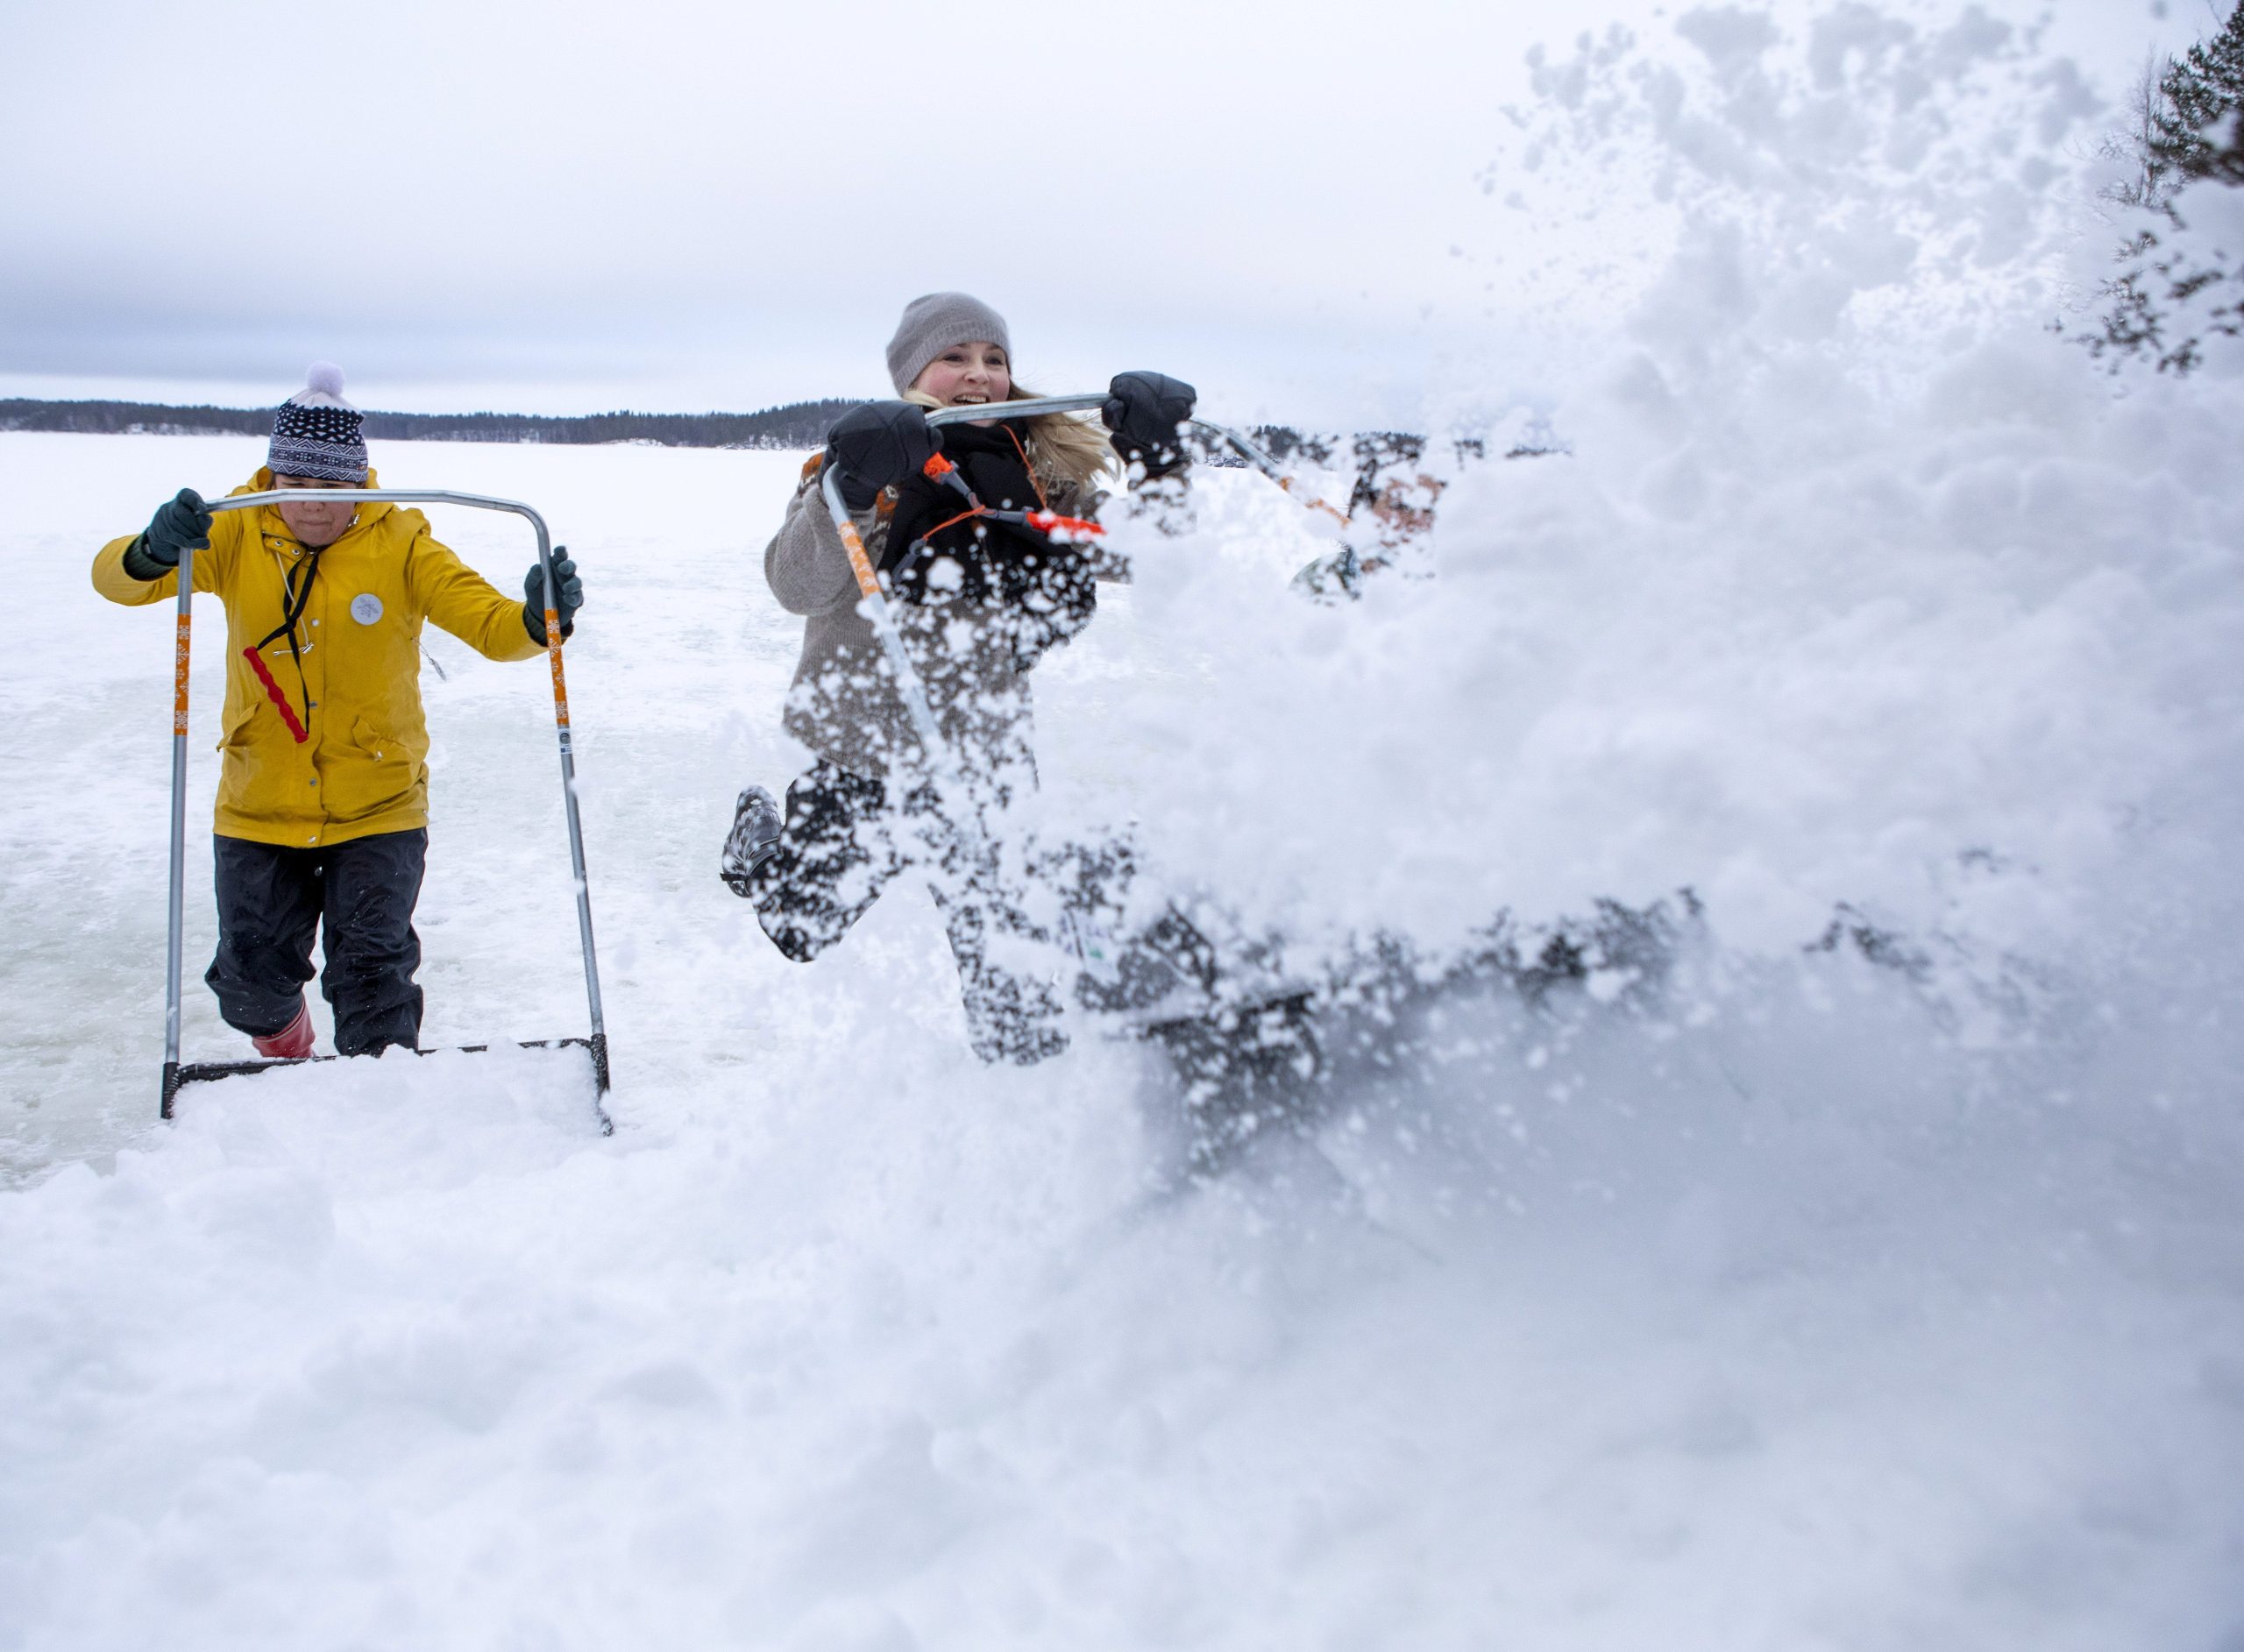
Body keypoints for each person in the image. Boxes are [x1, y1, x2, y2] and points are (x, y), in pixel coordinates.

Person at [722, 292, 1196, 1065]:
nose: (978, 375)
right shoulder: (855, 467)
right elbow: (796, 586)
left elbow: (1154, 556)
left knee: (1015, 986)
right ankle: (756, 841)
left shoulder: (1037, 471)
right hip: (864, 750)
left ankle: (1026, 1104)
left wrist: (1161, 461)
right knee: (799, 927)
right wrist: (849, 483)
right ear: (913, 371)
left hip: (985, 759)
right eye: (954, 358)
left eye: (994, 359)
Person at [89, 363, 586, 1060]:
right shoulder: (232, 532)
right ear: (274, 479)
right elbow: (115, 580)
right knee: (251, 987)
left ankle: (379, 1105)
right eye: (296, 487)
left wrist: (539, 619)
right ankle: (290, 1052)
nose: (314, 507)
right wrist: (151, 549)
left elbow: (490, 624)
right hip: (259, 805)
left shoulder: (402, 542)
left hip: (378, 806)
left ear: (357, 482)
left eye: (332, 490)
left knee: (373, 979)